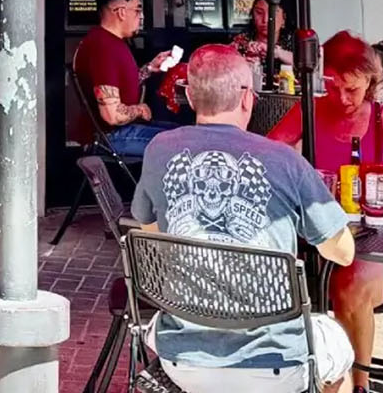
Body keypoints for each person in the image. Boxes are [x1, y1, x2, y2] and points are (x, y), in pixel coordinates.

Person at [131, 44, 355, 393]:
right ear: (249, 98)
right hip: (275, 366)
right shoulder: (284, 160)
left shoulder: (159, 149)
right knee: (339, 345)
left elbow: (153, 234)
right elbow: (342, 252)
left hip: (183, 359)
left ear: (189, 97)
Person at [266, 31, 383, 388]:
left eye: (352, 89)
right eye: (332, 87)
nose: (341, 98)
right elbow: (267, 159)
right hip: (320, 246)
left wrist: (381, 189)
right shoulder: (309, 112)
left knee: (348, 285)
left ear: (371, 83)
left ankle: (356, 385)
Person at [73, 0, 175, 157]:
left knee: (188, 134)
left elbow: (118, 86)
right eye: (137, 10)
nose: (140, 17)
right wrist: (140, 109)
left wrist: (149, 68)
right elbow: (112, 115)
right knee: (188, 142)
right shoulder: (103, 47)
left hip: (119, 134)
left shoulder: (109, 42)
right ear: (121, 12)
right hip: (112, 138)